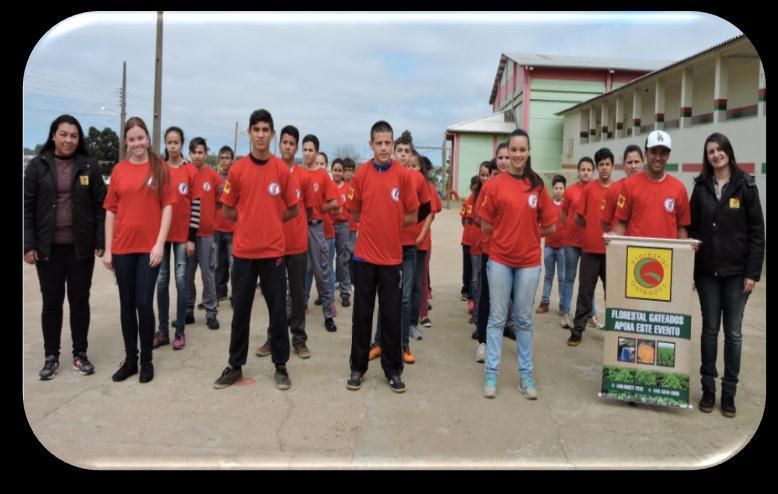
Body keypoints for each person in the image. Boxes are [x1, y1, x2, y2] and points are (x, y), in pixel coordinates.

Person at [213, 109, 299, 391]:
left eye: (266, 130)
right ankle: (235, 365)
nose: (261, 135)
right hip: (245, 253)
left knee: (277, 312)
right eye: (256, 129)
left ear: (272, 134)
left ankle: (281, 365)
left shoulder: (281, 170)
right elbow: (227, 209)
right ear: (249, 133)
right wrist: (249, 220)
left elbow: (292, 208)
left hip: (274, 253)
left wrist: (270, 221)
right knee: (241, 312)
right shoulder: (237, 170)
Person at [687, 132, 764, 418]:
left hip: (736, 274)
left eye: (720, 150)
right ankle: (708, 388)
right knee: (709, 330)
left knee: (733, 333)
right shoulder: (701, 186)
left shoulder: (745, 185)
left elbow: (757, 233)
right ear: (706, 157)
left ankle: (729, 391)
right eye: (710, 151)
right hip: (707, 272)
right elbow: (692, 227)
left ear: (729, 152)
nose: (716, 155)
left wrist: (752, 273)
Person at [24, 114, 106, 380]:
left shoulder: (89, 166)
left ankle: (80, 354)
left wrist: (100, 239)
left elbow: (100, 207)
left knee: (79, 301)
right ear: (53, 135)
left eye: (74, 135)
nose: (69, 140)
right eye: (64, 134)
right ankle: (52, 356)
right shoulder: (37, 166)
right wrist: (28, 244)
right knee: (51, 303)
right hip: (48, 248)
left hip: (80, 247)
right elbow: (27, 208)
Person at [478, 129, 556, 399]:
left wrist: (528, 236)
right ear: (507, 152)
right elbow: (485, 224)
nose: (518, 154)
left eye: (523, 150)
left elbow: (551, 225)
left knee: (523, 320)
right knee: (497, 319)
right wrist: (508, 236)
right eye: (514, 149)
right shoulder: (493, 185)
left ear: (529, 152)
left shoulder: (537, 185)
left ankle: (526, 377)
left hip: (529, 263)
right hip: (500, 260)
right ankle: (491, 374)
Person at [345, 120, 419, 393]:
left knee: (391, 317)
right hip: (364, 259)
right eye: (380, 143)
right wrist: (374, 226)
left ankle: (392, 370)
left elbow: (412, 213)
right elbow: (353, 212)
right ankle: (357, 367)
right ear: (371, 145)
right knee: (361, 316)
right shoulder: (361, 174)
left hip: (392, 260)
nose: (385, 148)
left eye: (389, 142)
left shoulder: (403, 175)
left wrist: (390, 228)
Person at [103, 116, 176, 383]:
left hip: (149, 249)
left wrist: (159, 243)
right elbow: (110, 211)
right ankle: (131, 360)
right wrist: (109, 249)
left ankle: (147, 360)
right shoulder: (119, 170)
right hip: (122, 248)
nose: (136, 143)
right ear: (126, 141)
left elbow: (168, 206)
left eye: (140, 138)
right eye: (131, 139)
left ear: (147, 139)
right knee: (126, 305)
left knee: (144, 304)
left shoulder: (159, 169)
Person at [369, 138, 431, 364]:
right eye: (400, 151)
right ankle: (378, 343)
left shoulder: (416, 179)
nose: (403, 155)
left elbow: (426, 208)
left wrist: (411, 227)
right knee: (384, 297)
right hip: (387, 247)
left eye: (407, 151)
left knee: (404, 299)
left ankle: (403, 345)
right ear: (394, 153)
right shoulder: (386, 175)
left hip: (408, 248)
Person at [256, 125, 314, 360]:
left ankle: (299, 339)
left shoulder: (304, 177)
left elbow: (307, 210)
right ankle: (273, 338)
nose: (288, 147)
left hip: (298, 244)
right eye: (284, 143)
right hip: (274, 245)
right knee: (276, 294)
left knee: (298, 294)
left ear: (296, 147)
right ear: (278, 144)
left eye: (292, 143)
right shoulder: (270, 171)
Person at [154, 127, 198, 351]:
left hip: (182, 236)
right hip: (162, 237)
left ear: (182, 144)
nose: (172, 146)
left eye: (176, 142)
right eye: (169, 142)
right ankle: (162, 330)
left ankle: (179, 329)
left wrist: (191, 238)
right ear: (165, 143)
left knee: (181, 281)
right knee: (161, 282)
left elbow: (196, 205)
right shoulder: (158, 169)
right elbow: (152, 203)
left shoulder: (190, 170)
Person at [567, 148, 614, 346]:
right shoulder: (589, 189)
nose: (604, 168)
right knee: (585, 292)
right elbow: (579, 217)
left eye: (607, 164)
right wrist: (593, 230)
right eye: (601, 164)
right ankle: (577, 331)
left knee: (613, 293)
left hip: (612, 252)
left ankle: (614, 335)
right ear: (597, 168)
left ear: (612, 166)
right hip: (589, 250)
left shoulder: (619, 189)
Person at [613, 131, 691, 240]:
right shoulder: (629, 185)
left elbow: (681, 228)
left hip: (667, 254)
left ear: (668, 155)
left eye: (663, 153)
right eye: (654, 152)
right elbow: (621, 223)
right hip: (636, 254)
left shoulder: (679, 188)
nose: (658, 157)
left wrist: (685, 249)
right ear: (646, 153)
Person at [301, 135, 338, 332]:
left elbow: (333, 202)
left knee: (322, 271)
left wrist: (316, 208)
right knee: (297, 273)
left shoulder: (323, 175)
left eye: (310, 150)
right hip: (298, 228)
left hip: (316, 227)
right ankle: (297, 310)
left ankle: (328, 314)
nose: (307, 153)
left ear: (317, 152)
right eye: (304, 150)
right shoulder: (296, 172)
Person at [184, 137, 222, 330]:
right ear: (189, 153)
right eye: (194, 152)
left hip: (207, 234)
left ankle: (211, 312)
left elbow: (222, 200)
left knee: (208, 274)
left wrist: (214, 220)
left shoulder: (213, 176)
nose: (197, 156)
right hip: (186, 236)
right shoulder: (184, 173)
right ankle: (188, 310)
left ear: (206, 153)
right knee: (187, 275)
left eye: (200, 152)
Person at [559, 157, 599, 330]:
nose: (586, 172)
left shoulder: (596, 190)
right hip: (571, 242)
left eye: (589, 169)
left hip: (590, 243)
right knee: (569, 278)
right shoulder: (570, 191)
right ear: (578, 171)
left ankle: (591, 315)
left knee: (588, 281)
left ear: (593, 171)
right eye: (583, 169)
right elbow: (564, 213)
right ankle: (566, 314)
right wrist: (569, 227)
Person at [416, 155, 441, 332]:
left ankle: (423, 313)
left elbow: (432, 213)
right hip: (401, 241)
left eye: (415, 165)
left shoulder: (428, 187)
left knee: (421, 279)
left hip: (422, 242)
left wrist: (420, 236)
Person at [536, 175, 567, 315]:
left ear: (564, 189)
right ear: (552, 189)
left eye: (561, 188)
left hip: (563, 248)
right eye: (556, 188)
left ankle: (562, 304)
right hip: (549, 246)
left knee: (562, 278)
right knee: (548, 276)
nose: (559, 190)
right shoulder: (547, 203)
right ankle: (545, 302)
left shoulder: (567, 205)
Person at [600, 145, 643, 233]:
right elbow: (604, 222)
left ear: (642, 162)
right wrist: (616, 236)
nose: (633, 166)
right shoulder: (614, 189)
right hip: (621, 243)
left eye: (636, 162)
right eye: (630, 162)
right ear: (624, 164)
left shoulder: (650, 188)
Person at [213, 145, 236, 304]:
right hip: (216, 227)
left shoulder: (235, 178)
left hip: (232, 228)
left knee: (233, 264)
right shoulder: (215, 178)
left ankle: (236, 295)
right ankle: (220, 292)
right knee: (217, 263)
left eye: (227, 158)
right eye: (221, 158)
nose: (224, 161)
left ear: (232, 160)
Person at [331, 158, 353, 307]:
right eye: (335, 170)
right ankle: (326, 294)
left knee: (343, 260)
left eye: (340, 170)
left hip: (343, 226)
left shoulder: (349, 188)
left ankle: (345, 292)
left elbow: (350, 206)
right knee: (325, 261)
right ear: (331, 171)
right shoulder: (327, 185)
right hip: (328, 226)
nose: (338, 173)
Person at [343, 158, 359, 286]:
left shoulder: (355, 185)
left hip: (353, 226)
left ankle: (352, 280)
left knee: (352, 254)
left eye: (350, 170)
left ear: (353, 171)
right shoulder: (339, 185)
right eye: (346, 170)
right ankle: (342, 280)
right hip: (341, 226)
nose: (348, 172)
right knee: (343, 255)